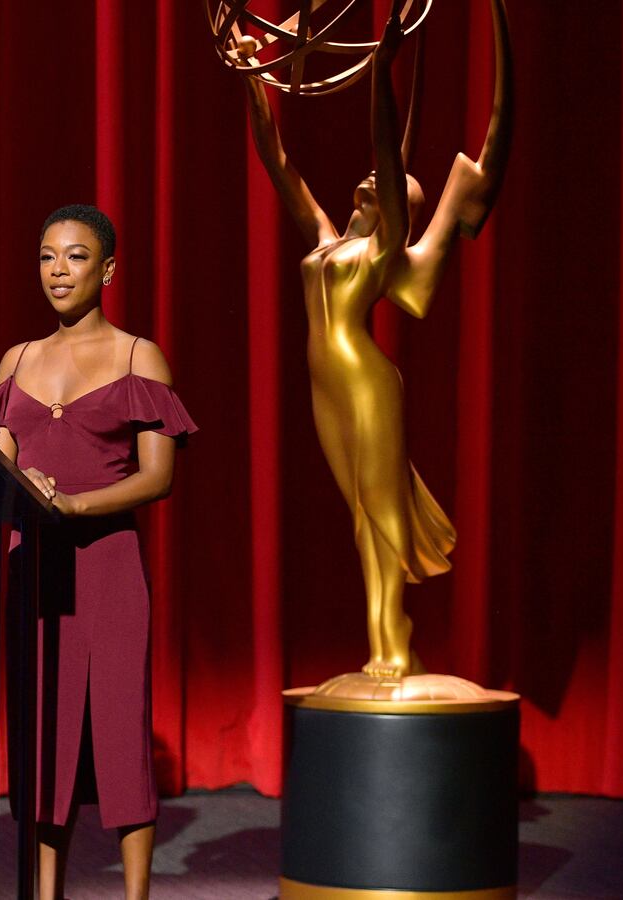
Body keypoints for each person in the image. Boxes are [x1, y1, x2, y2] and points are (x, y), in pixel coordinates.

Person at [239, 3, 509, 680]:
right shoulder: (330, 243)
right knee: (358, 516)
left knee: (381, 514)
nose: (371, 179)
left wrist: (383, 79)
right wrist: (251, 75)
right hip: (325, 382)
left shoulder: (386, 250)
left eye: (394, 191)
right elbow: (275, 158)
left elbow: (388, 159)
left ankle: (393, 641)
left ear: (400, 209)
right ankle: (386, 641)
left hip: (366, 381)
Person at [0, 205, 194, 900]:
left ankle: (136, 897)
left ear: (107, 269)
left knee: (122, 734)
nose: (58, 271)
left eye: (73, 257)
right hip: (33, 571)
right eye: (46, 257)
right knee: (44, 736)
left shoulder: (137, 355)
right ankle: (46, 894)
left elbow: (157, 477)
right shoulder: (18, 361)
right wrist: (16, 484)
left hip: (108, 567)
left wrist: (72, 503)